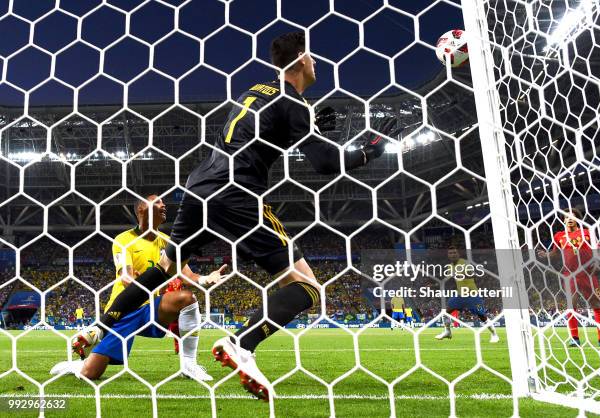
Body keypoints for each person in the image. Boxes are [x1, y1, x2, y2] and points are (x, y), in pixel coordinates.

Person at [71, 31, 400, 401]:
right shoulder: (293, 104)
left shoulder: (256, 90)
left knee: (161, 269)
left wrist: (307, 129)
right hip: (238, 194)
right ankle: (241, 344)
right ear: (302, 59)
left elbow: (256, 136)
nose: (317, 63)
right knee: (307, 286)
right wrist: (371, 151)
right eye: (313, 57)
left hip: (199, 186)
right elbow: (324, 163)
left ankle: (99, 327)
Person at [65, 195, 227, 381]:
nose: (163, 204)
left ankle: (189, 365)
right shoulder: (124, 239)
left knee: (187, 299)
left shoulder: (167, 241)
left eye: (163, 202)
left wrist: (207, 278)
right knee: (90, 374)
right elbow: (126, 277)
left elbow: (188, 276)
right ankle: (76, 365)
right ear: (141, 209)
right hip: (125, 310)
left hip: (151, 309)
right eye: (157, 201)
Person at [537, 208, 600, 347]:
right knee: (571, 305)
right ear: (563, 220)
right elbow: (556, 252)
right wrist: (546, 255)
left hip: (587, 273)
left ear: (577, 219)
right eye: (566, 217)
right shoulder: (559, 236)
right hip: (569, 274)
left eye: (572, 216)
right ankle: (575, 338)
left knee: (596, 305)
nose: (569, 218)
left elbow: (597, 250)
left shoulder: (587, 232)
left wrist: (597, 263)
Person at [435, 246, 499, 343]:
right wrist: (435, 284)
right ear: (448, 255)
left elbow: (473, 274)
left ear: (458, 254)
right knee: (445, 312)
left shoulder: (465, 263)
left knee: (482, 315)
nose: (453, 254)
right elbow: (449, 278)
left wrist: (462, 275)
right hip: (460, 295)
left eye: (454, 252)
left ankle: (494, 334)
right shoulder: (450, 266)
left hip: (472, 294)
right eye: (450, 253)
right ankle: (447, 332)